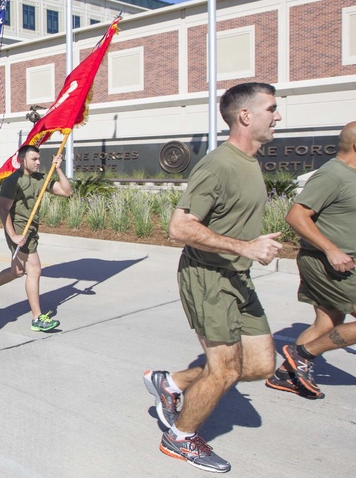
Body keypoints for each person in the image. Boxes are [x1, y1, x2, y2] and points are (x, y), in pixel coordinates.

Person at [144, 82, 283, 474]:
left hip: (237, 277)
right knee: (225, 370)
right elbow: (180, 227)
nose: (278, 116)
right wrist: (245, 248)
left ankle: (170, 382)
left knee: (259, 365)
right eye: (271, 109)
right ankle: (180, 437)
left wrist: (250, 248)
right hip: (208, 277)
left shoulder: (250, 161)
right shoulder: (219, 164)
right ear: (245, 116)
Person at [266, 121, 356, 400]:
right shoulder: (332, 175)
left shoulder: (351, 175)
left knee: (327, 322)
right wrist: (331, 250)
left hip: (328, 260)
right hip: (326, 263)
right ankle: (301, 354)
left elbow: (340, 218)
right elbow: (296, 216)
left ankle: (285, 376)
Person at [0, 146, 72, 331]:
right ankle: (37, 319)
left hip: (32, 229)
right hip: (19, 228)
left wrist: (58, 168)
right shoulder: (13, 181)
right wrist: (13, 235)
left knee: (17, 272)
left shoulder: (41, 178)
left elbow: (66, 192)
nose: (38, 162)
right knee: (34, 270)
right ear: (22, 160)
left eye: (39, 159)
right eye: (34, 159)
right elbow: (3, 210)